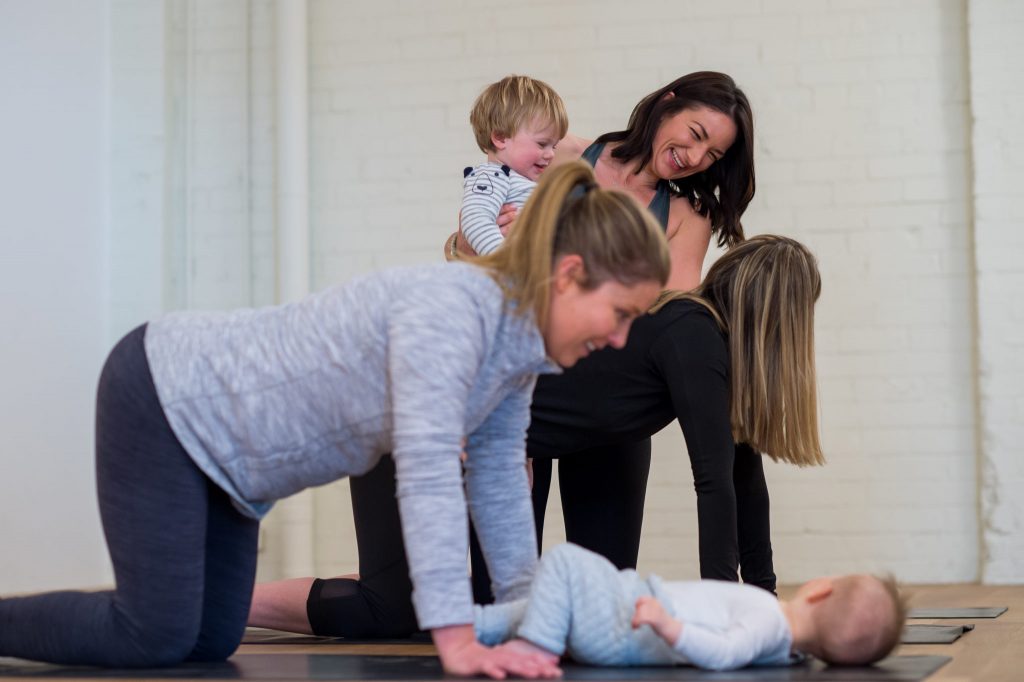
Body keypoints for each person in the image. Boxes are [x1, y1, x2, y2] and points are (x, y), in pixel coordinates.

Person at [0, 161, 670, 678]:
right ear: (570, 275)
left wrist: (532, 620)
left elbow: (496, 483)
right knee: (154, 633)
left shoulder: (519, 358)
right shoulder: (453, 313)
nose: (619, 340)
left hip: (235, 472)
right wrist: (456, 640)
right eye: (621, 315)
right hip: (166, 393)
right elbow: (430, 477)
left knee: (209, 638)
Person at [250, 235, 824, 639]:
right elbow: (713, 484)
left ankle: (371, 579)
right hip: (424, 418)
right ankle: (232, 604)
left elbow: (746, 485)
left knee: (453, 601)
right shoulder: (696, 334)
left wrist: (767, 603)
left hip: (482, 440)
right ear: (779, 317)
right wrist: (724, 607)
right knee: (391, 609)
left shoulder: (714, 351)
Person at [448, 71, 755, 291]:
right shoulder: (557, 153)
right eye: (695, 134)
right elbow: (473, 243)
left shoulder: (688, 218)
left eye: (713, 155)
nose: (695, 158)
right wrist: (467, 244)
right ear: (666, 105)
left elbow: (672, 320)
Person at [474, 543, 906, 671]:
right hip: (626, 622)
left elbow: (724, 654)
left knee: (564, 562)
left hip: (630, 621)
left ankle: (537, 647)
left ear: (818, 590)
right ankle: (466, 625)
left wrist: (668, 625)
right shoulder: (786, 649)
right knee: (532, 607)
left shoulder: (768, 621)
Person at [459, 75, 568, 256]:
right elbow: (475, 221)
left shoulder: (521, 182)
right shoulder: (491, 177)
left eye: (554, 146)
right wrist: (506, 264)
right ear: (501, 138)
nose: (551, 154)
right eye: (542, 144)